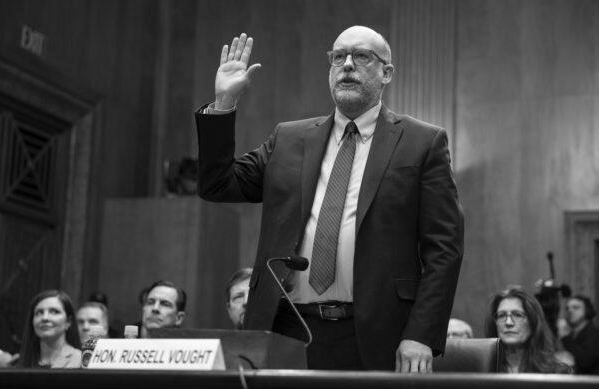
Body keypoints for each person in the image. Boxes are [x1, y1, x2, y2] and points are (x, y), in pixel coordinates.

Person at [195, 26, 463, 371]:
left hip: (377, 332)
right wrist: (224, 104)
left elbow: (444, 249)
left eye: (361, 56)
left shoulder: (422, 143)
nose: (347, 65)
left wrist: (421, 334)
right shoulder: (289, 138)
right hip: (285, 327)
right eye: (338, 57)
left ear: (386, 73)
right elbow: (218, 184)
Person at [485, 287, 571, 373]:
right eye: (502, 315)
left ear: (533, 322)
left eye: (517, 315)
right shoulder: (482, 370)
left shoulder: (558, 372)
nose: (508, 322)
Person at [17, 289, 81, 368]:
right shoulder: (18, 362)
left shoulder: (81, 361)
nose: (45, 318)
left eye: (54, 312)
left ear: (68, 321)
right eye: (39, 312)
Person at [562, 295, 599, 374]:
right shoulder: (570, 335)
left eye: (576, 307)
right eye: (567, 308)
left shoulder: (595, 335)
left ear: (587, 310)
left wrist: (565, 337)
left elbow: (585, 361)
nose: (570, 311)